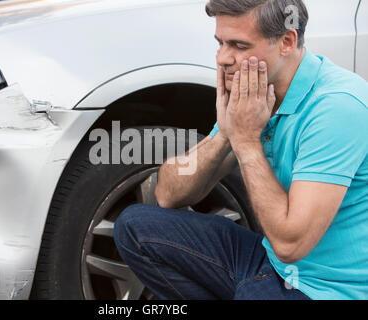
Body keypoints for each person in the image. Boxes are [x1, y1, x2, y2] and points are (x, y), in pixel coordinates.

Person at [114, 0, 368, 300]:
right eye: (220, 43)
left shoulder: (337, 107)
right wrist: (224, 135)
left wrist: (246, 141)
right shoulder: (256, 94)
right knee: (134, 226)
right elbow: (168, 195)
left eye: (238, 45)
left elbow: (290, 246)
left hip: (325, 288)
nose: (223, 58)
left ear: (287, 41)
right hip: (268, 262)